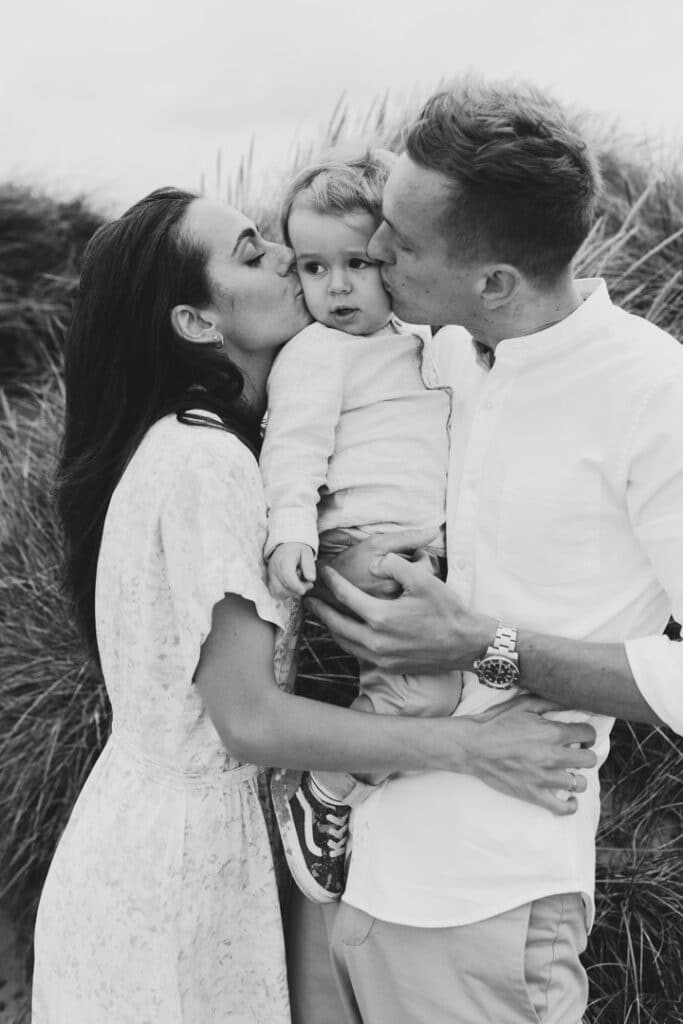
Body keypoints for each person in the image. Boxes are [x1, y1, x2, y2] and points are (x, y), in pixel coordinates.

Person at [30, 186, 595, 1023]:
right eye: (254, 253)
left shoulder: (220, 445)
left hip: (180, 844)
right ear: (195, 324)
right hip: (177, 873)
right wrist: (473, 747)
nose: (289, 262)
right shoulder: (205, 463)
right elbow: (248, 720)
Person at [298, 83, 683, 1024]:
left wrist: (479, 645)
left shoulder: (653, 398)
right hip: (346, 887)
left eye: (401, 240)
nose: (376, 252)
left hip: (489, 903)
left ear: (496, 280)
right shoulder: (434, 359)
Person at [260, 149, 461, 905]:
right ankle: (323, 787)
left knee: (440, 682)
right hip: (360, 547)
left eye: (356, 262)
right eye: (312, 268)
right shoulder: (319, 352)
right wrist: (292, 531)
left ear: (393, 259)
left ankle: (360, 788)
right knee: (426, 697)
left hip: (419, 544)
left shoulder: (418, 343)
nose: (335, 286)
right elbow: (294, 446)